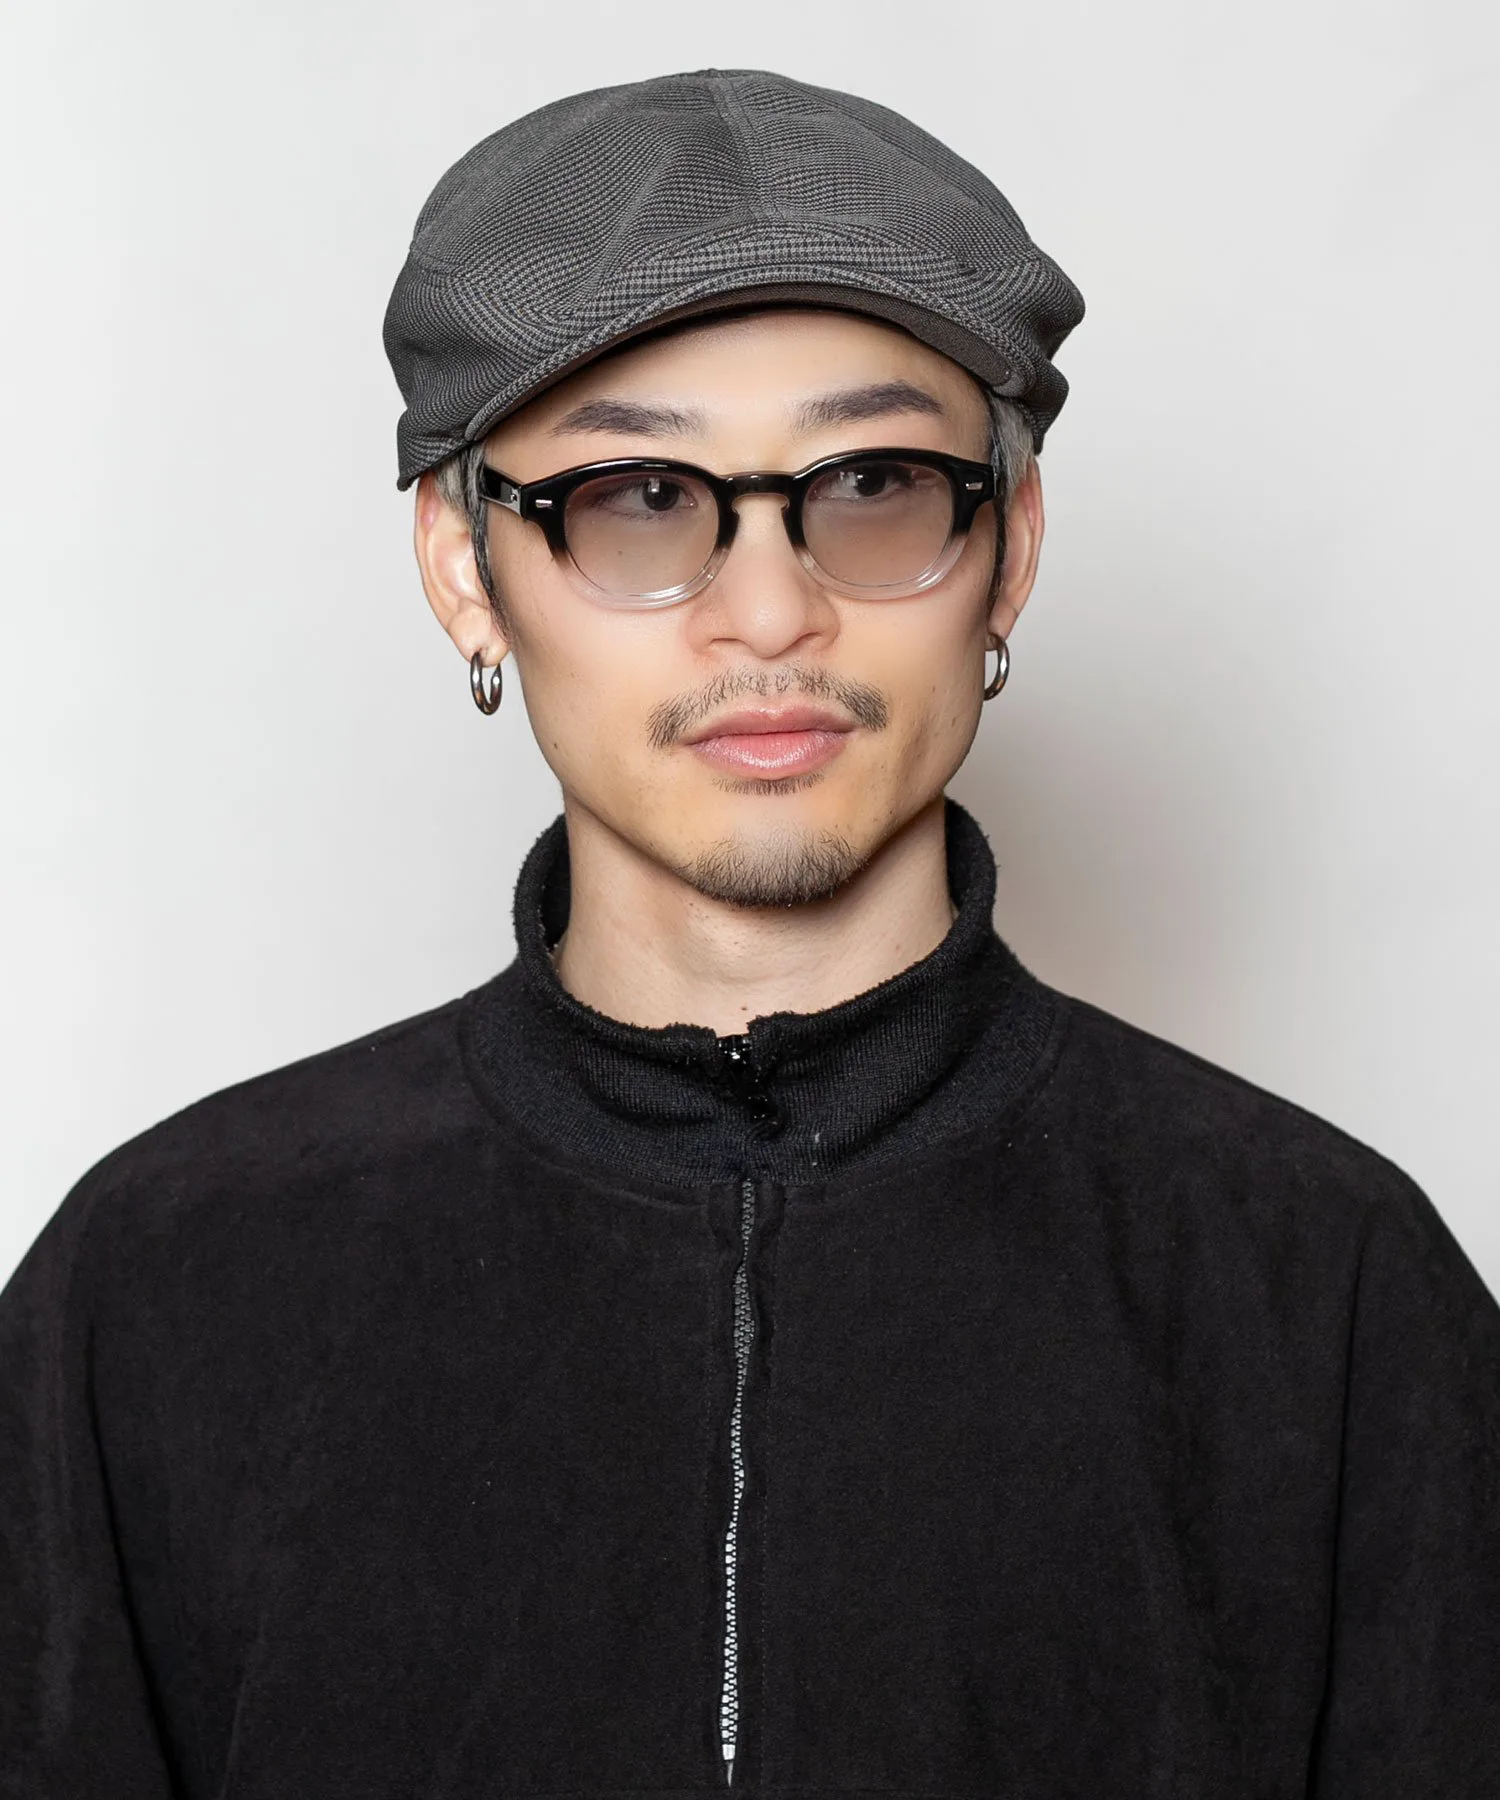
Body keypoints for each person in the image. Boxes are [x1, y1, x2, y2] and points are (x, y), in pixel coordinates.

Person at [2, 65, 1497, 1800]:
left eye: (873, 485)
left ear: (1009, 547)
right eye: (639, 497)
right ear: (466, 570)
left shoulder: (1330, 1293)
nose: (772, 611)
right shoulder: (157, 1288)